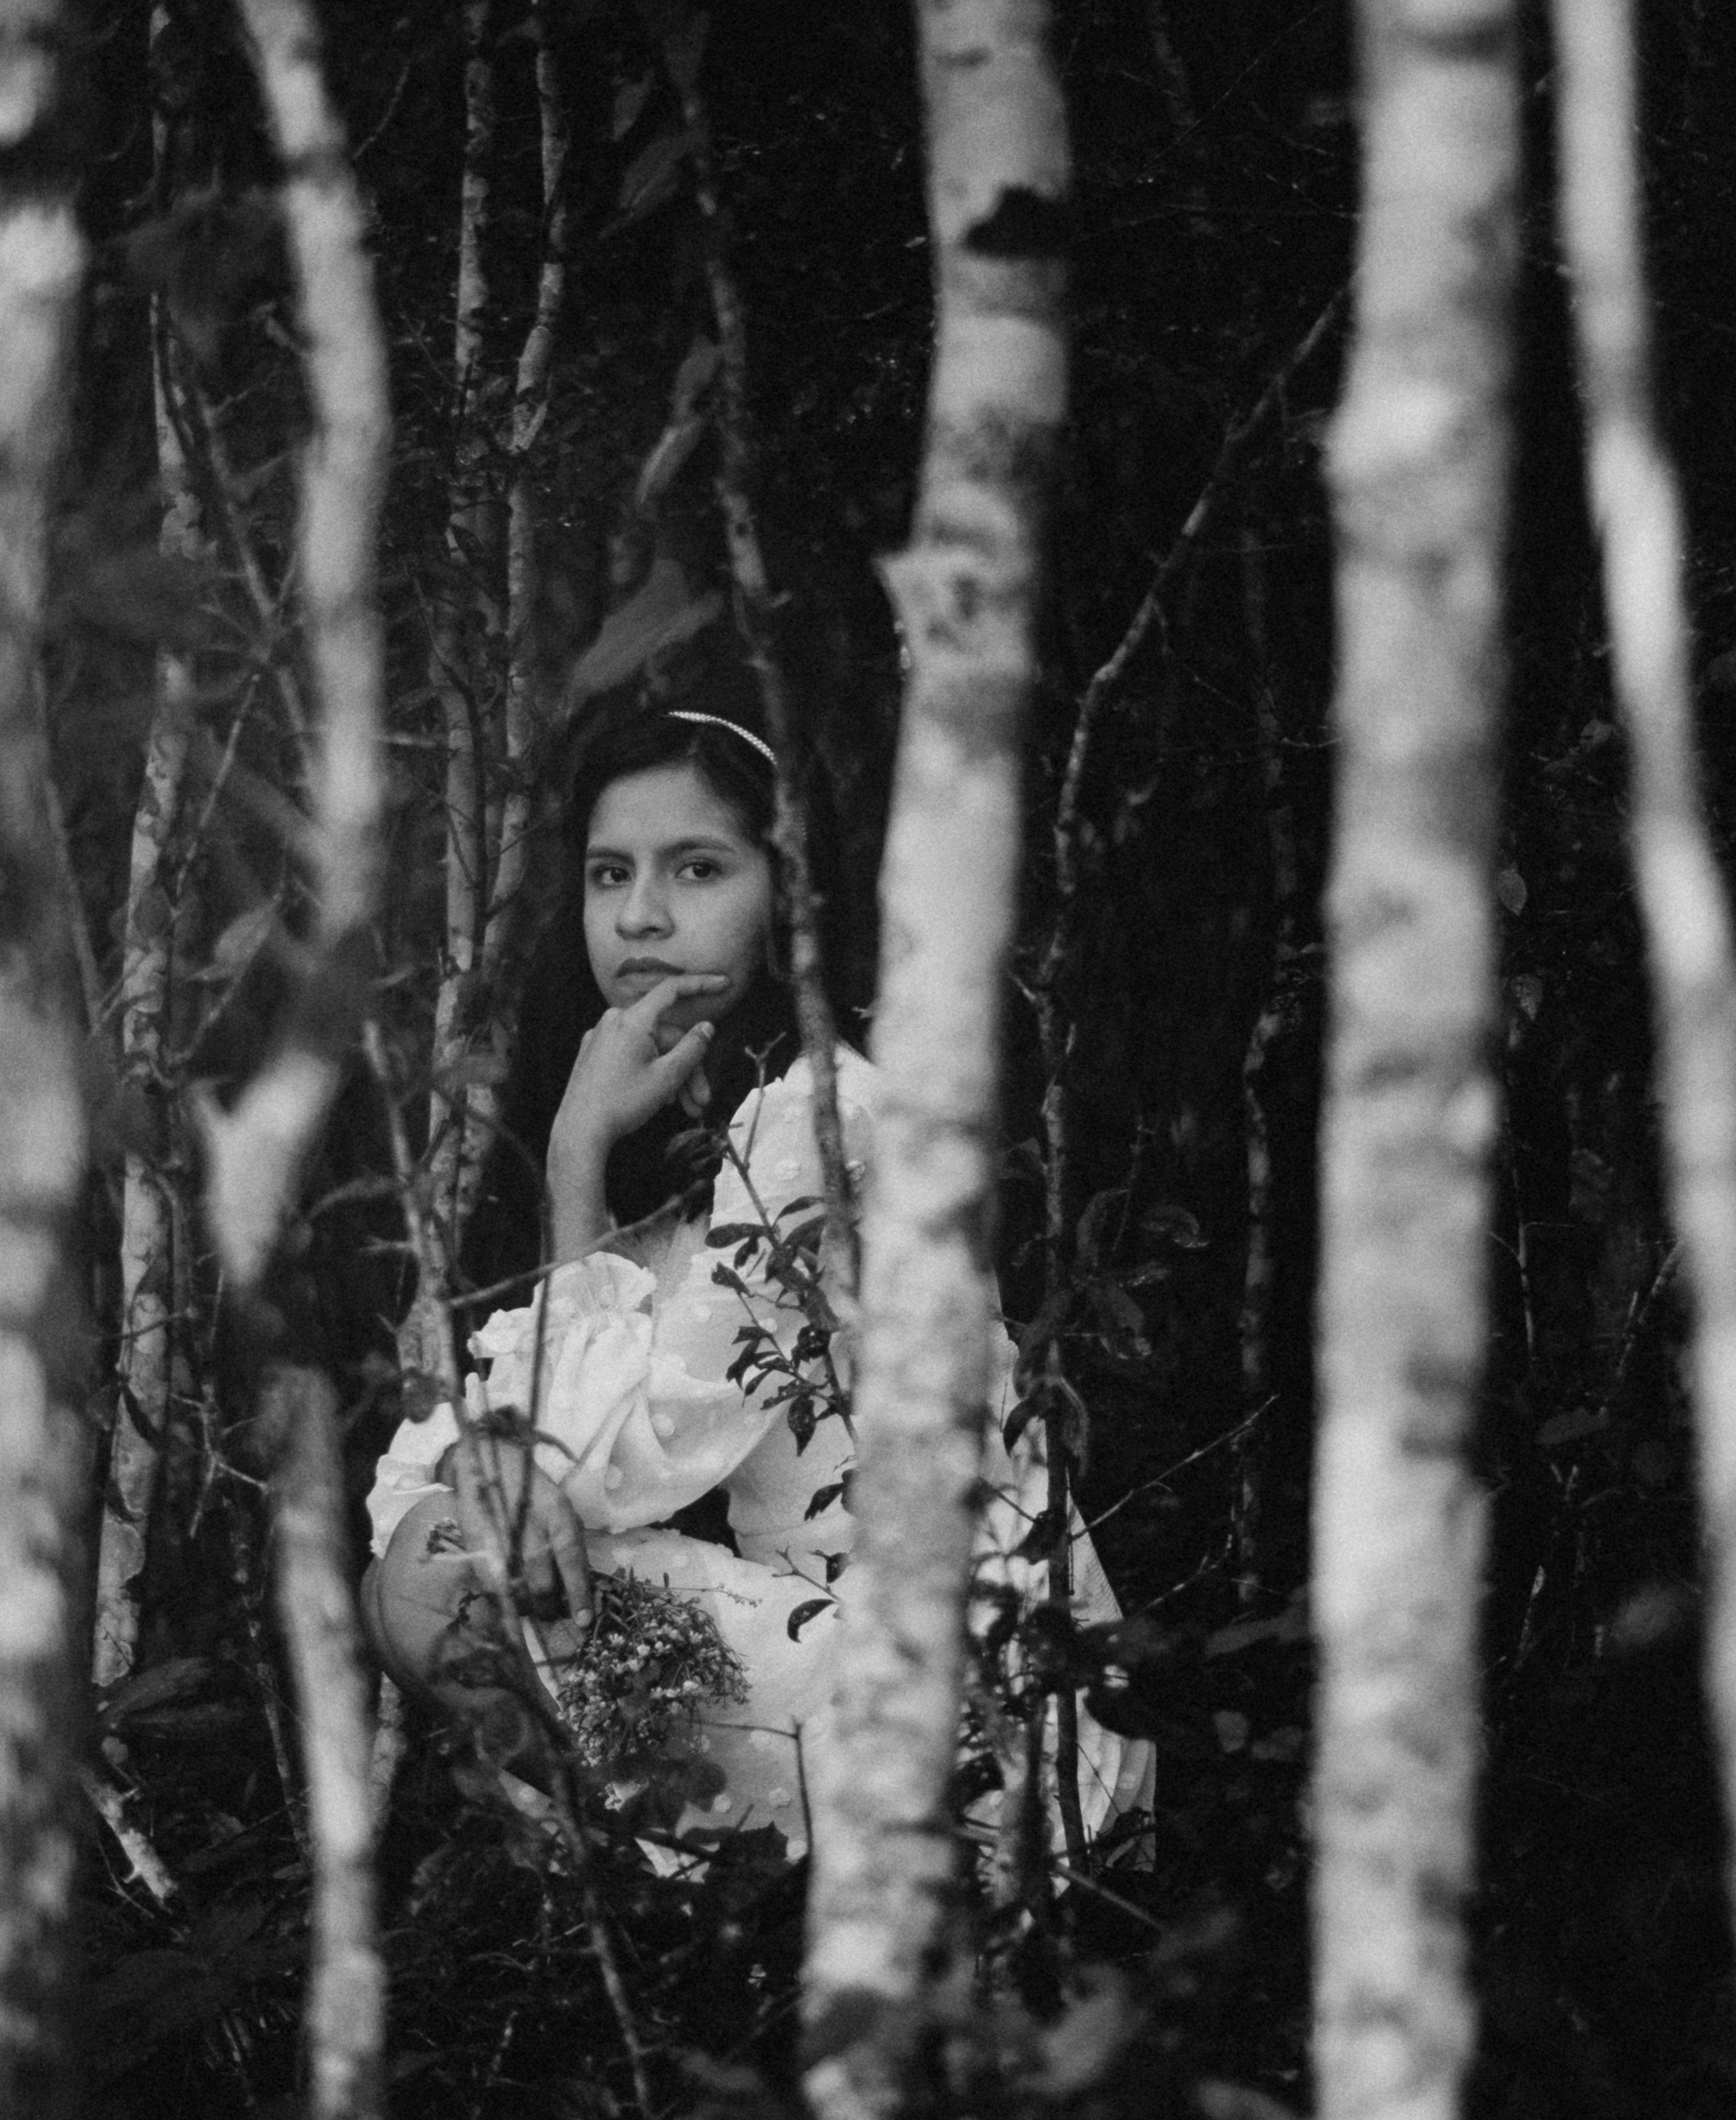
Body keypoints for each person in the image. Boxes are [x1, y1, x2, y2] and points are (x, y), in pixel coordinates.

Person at [364, 659, 1153, 1867]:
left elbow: (593, 1476)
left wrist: (575, 1152)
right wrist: (474, 1465)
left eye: (697, 869)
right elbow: (455, 1473)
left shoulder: (825, 1117)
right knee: (420, 1549)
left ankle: (673, 1919)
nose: (639, 918)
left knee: (447, 1577)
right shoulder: (683, 1150)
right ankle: (684, 1944)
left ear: (788, 898)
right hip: (853, 1671)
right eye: (608, 875)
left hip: (985, 1704)